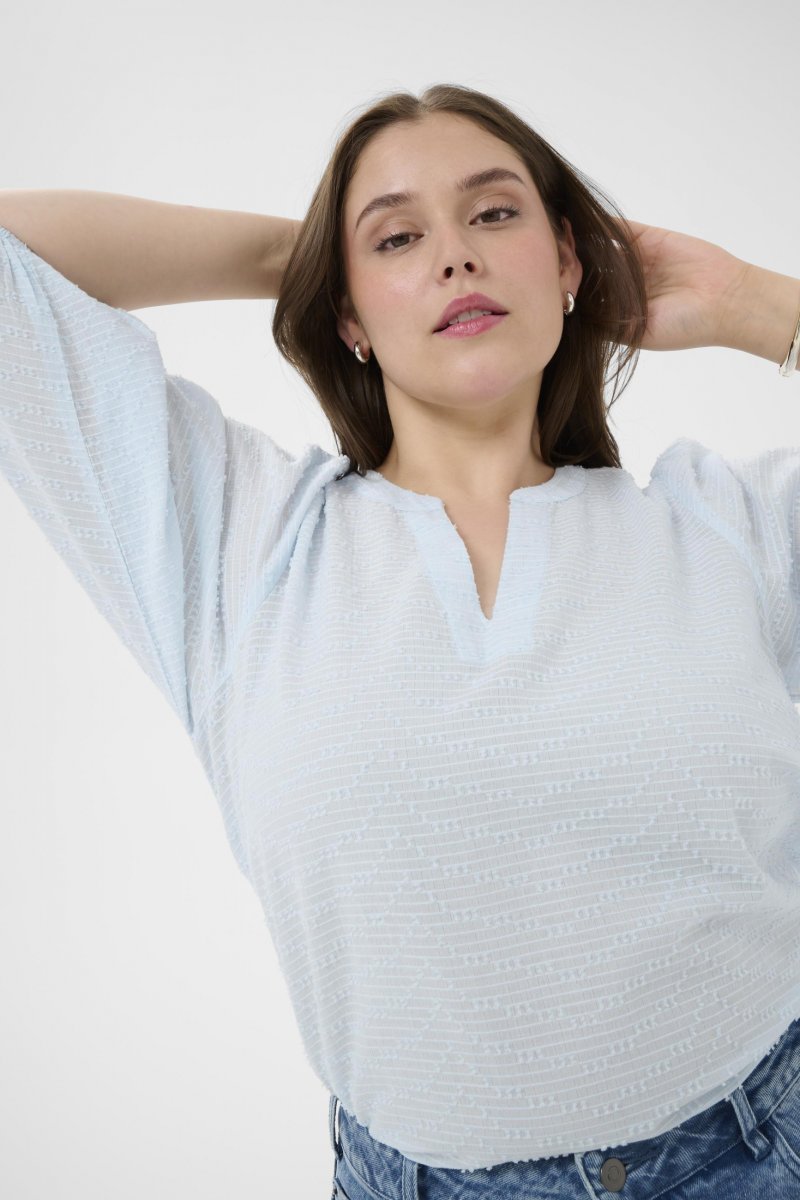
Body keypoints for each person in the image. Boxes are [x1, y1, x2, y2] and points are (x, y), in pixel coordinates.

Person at [2, 82, 800, 1198]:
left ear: (567, 263)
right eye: (397, 237)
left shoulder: (730, 526)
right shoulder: (239, 542)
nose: (455, 255)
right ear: (346, 314)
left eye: (493, 215)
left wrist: (757, 306)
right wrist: (303, 256)